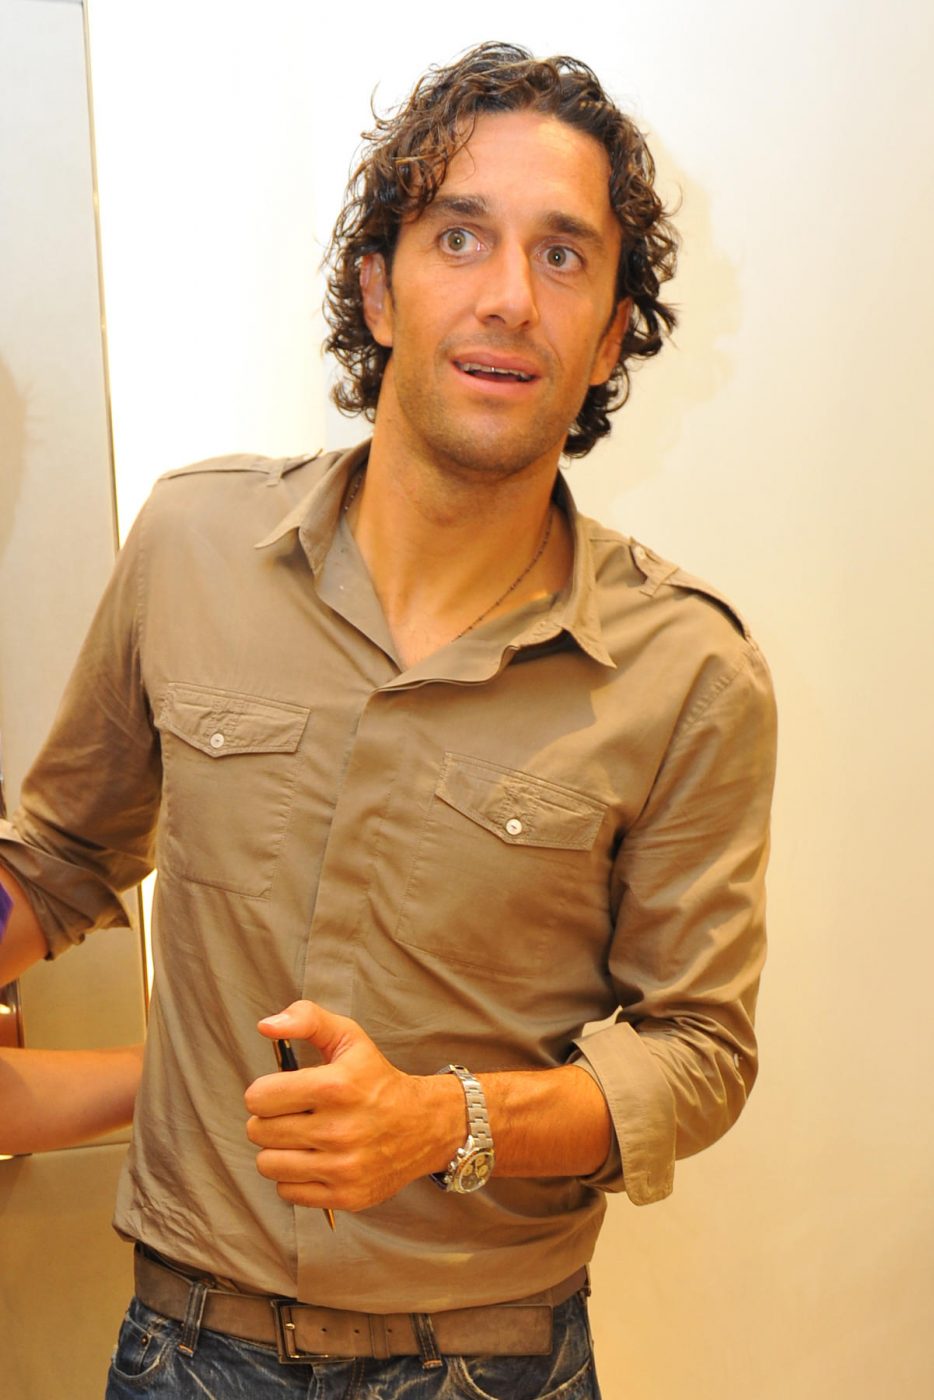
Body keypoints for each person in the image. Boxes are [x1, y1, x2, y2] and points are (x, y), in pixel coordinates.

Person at [0, 42, 776, 1399]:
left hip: (493, 1362)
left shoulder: (689, 672)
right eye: (459, 236)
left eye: (561, 256)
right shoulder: (189, 542)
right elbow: (59, 857)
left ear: (609, 337)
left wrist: (445, 1121)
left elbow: (697, 1056)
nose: (506, 297)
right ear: (378, 287)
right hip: (186, 1348)